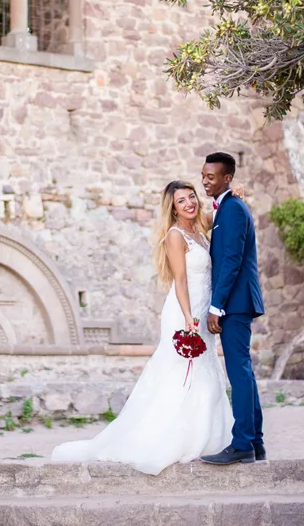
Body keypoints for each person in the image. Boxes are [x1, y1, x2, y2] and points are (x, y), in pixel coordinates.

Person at [50, 180, 233, 475]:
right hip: (185, 310)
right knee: (178, 373)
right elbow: (182, 281)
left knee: (205, 369)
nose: (189, 203)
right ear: (172, 210)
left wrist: (228, 195)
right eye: (181, 201)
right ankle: (170, 437)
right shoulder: (175, 236)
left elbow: (219, 213)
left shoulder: (199, 228)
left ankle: (207, 435)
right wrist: (188, 317)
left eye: (191, 197)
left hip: (203, 307)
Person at [199, 152, 266, 465]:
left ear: (227, 178)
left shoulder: (234, 209)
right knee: (244, 372)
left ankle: (242, 445)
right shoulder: (227, 207)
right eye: (203, 175)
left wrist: (217, 306)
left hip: (235, 304)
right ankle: (255, 443)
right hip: (237, 302)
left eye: (211, 177)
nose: (205, 181)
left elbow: (231, 261)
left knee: (238, 374)